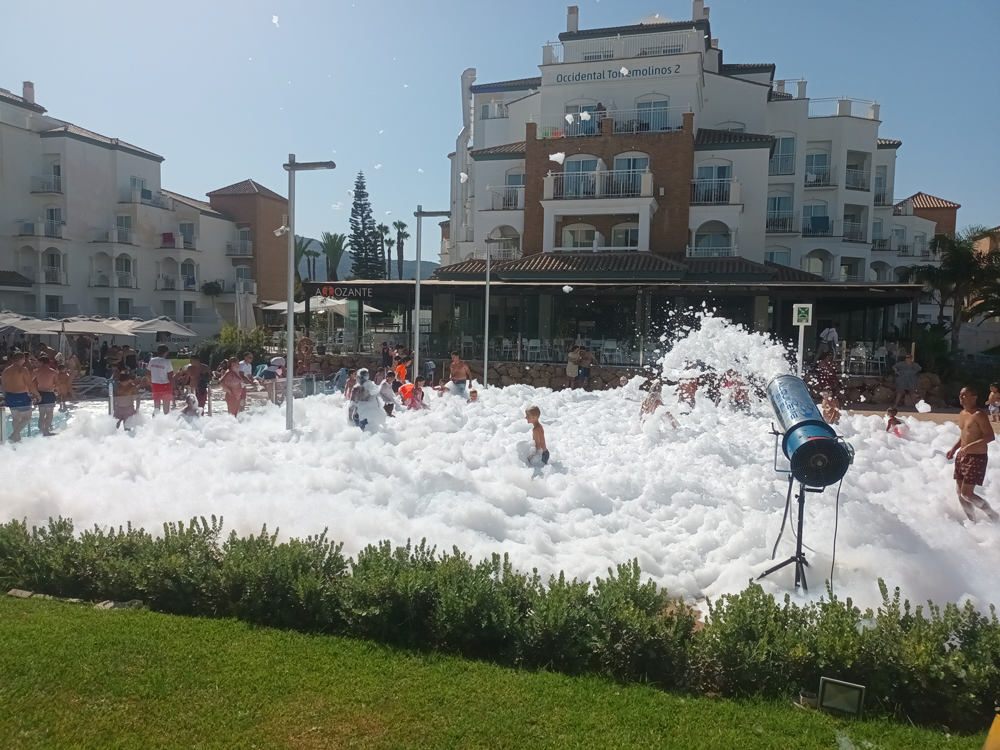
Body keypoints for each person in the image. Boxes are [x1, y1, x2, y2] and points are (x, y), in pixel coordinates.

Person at [946, 387, 1000, 522]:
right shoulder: (962, 413)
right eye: (960, 395)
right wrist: (954, 449)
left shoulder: (979, 415)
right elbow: (965, 434)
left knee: (967, 494)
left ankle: (994, 517)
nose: (961, 397)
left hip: (976, 457)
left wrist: (970, 446)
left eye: (964, 395)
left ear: (974, 398)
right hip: (962, 455)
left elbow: (990, 436)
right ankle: (972, 521)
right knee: (959, 492)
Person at [2, 352, 38, 442]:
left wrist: (5, 397)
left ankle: (17, 438)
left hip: (10, 396)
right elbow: (29, 383)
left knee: (16, 418)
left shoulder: (5, 371)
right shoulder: (23, 369)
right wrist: (37, 394)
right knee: (27, 418)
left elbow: (3, 386)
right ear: (22, 359)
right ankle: (14, 435)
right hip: (21, 396)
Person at [33, 355, 58, 436]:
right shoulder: (53, 372)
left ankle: (41, 428)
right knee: (50, 414)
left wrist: (34, 392)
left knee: (42, 413)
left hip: (40, 393)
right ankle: (46, 430)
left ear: (41, 362)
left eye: (38, 362)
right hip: (50, 393)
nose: (37, 364)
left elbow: (29, 381)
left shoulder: (37, 372)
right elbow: (57, 384)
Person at [147, 345, 175, 415]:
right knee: (166, 407)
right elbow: (170, 376)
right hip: (165, 385)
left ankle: (155, 422)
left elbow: (147, 374)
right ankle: (165, 423)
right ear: (166, 352)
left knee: (156, 407)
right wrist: (175, 387)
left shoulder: (152, 360)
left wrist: (151, 382)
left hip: (155, 385)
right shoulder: (167, 362)